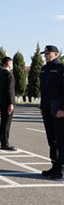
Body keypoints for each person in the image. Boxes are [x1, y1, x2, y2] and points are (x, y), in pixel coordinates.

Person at [40, 45, 64, 180]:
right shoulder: (44, 69)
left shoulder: (61, 69)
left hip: (58, 109)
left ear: (56, 54)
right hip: (47, 108)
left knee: (61, 140)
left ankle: (61, 169)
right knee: (52, 139)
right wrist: (42, 106)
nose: (46, 56)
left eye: (48, 53)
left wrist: (63, 109)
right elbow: (44, 90)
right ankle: (54, 165)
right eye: (45, 54)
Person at [0, 57, 17, 151]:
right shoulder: (9, 74)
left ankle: (3, 142)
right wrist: (11, 103)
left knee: (3, 122)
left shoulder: (0, 73)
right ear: (8, 63)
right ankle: (5, 143)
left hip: (1, 101)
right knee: (7, 123)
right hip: (7, 102)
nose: (12, 65)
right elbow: (10, 90)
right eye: (11, 63)